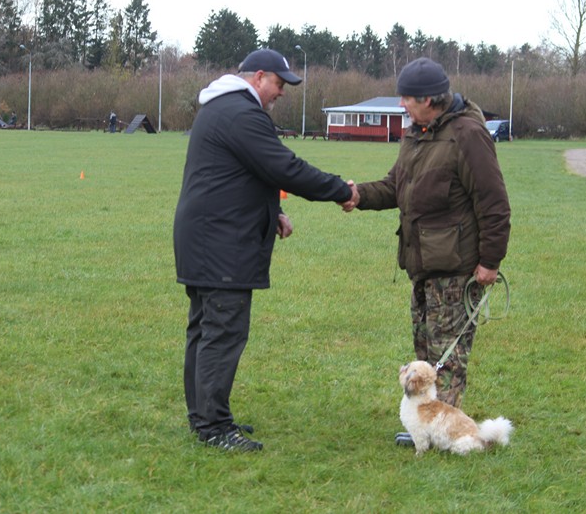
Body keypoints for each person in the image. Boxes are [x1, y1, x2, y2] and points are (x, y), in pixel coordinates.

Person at [173, 49, 359, 452]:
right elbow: (283, 167)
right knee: (222, 332)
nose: (282, 93)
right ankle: (213, 427)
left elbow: (235, 175)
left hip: (204, 236)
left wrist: (273, 213)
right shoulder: (242, 113)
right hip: (221, 244)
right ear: (259, 77)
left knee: (204, 330)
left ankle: (203, 416)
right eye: (279, 83)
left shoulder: (220, 107)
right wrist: (341, 189)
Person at [343, 57, 511, 444]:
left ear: (429, 100)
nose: (401, 104)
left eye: (407, 98)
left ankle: (447, 435)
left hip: (456, 268)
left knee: (446, 358)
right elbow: (395, 186)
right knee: (426, 355)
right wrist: (357, 195)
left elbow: (494, 203)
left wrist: (490, 261)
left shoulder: (467, 135)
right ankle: (432, 427)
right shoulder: (416, 134)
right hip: (422, 265)